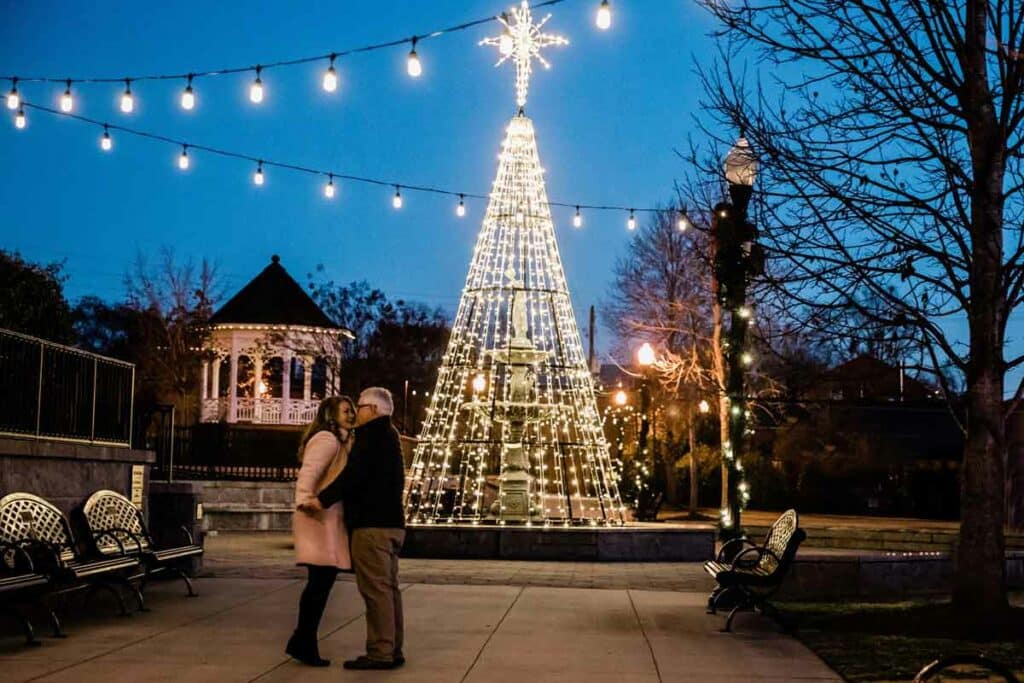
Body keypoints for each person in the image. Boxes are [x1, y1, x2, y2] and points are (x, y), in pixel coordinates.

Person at [299, 386, 406, 670]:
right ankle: (393, 648)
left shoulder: (371, 437)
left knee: (376, 591)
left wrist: (320, 500)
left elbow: (352, 477)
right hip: (393, 524)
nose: (356, 411)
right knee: (390, 589)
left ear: (373, 409)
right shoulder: (391, 436)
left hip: (372, 526)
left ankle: (381, 652)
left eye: (359, 406)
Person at [286, 395, 356, 667]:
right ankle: (303, 641)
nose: (351, 415)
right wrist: (304, 499)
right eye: (346, 411)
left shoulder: (342, 441)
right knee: (319, 583)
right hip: (316, 518)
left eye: (352, 410)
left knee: (320, 583)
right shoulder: (327, 440)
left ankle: (302, 640)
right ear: (330, 414)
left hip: (326, 518)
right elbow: (310, 472)